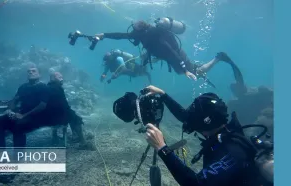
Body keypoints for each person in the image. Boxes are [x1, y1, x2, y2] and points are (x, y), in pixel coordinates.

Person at [142, 85, 273, 186]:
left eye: (194, 115)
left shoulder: (231, 152)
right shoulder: (226, 131)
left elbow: (195, 183)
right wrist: (163, 95)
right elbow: (186, 117)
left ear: (205, 122)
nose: (190, 119)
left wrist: (162, 148)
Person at [94, 19, 239, 83]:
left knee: (196, 72)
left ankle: (218, 57)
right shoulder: (139, 33)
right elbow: (122, 36)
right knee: (182, 69)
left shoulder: (156, 36)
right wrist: (104, 35)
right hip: (163, 55)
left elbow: (172, 52)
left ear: (142, 29)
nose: (133, 34)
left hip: (175, 55)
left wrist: (185, 69)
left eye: (135, 30)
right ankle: (191, 66)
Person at [0, 66, 50, 148]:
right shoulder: (23, 87)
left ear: (40, 74)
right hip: (22, 115)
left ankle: (18, 156)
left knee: (18, 124)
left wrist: (23, 115)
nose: (30, 72)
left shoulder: (44, 87)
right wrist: (9, 109)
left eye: (33, 71)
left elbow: (42, 106)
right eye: (29, 71)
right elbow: (14, 100)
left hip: (37, 117)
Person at [47, 71, 88, 149]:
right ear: (52, 78)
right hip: (57, 115)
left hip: (50, 115)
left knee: (71, 114)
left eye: (62, 77)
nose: (62, 79)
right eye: (59, 78)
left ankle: (55, 137)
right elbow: (63, 105)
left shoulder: (49, 86)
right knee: (76, 118)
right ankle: (83, 141)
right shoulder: (57, 88)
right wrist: (70, 112)